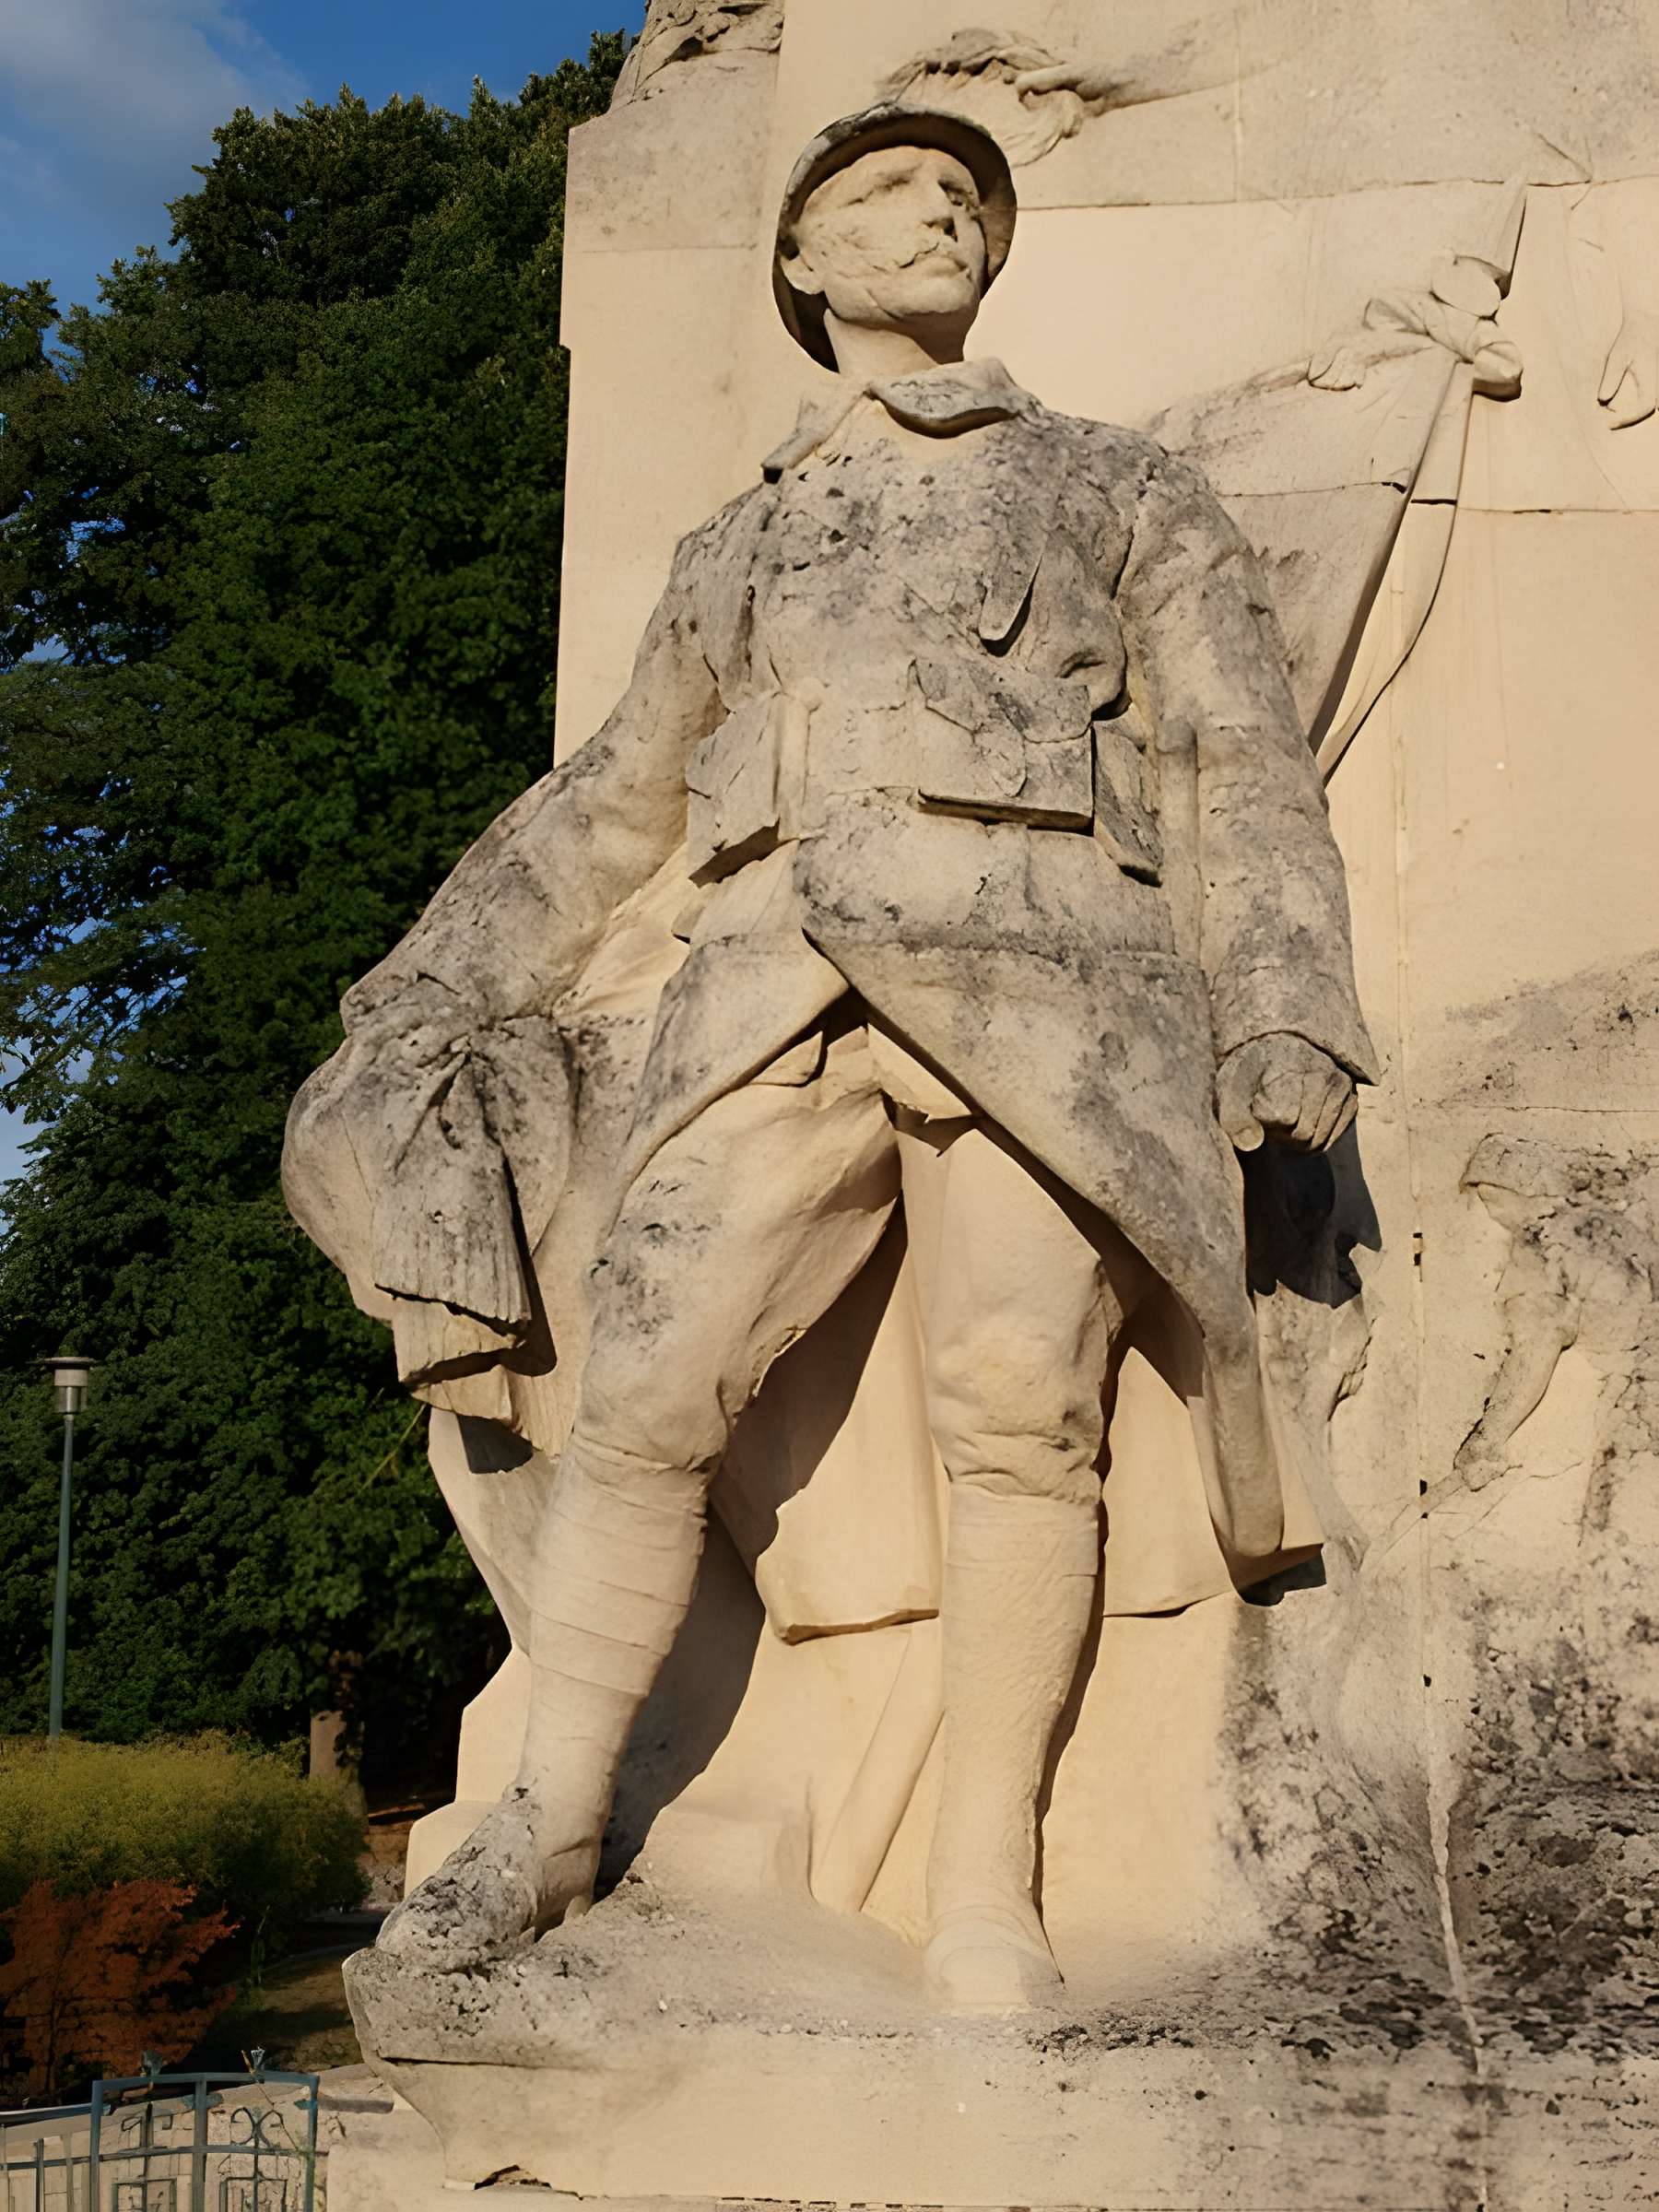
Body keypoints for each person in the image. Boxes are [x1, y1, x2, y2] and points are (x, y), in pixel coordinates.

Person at [290, 102, 1375, 2010]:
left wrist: (1286, 996)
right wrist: (425, 980)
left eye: (963, 194)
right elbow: (617, 797)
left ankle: (985, 1886)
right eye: (884, 190)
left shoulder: (1119, 484)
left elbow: (1235, 751)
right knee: (644, 1387)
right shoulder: (743, 536)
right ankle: (551, 1818)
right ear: (801, 258)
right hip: (766, 986)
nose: (935, 213)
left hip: (1053, 979)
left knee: (1016, 1410)